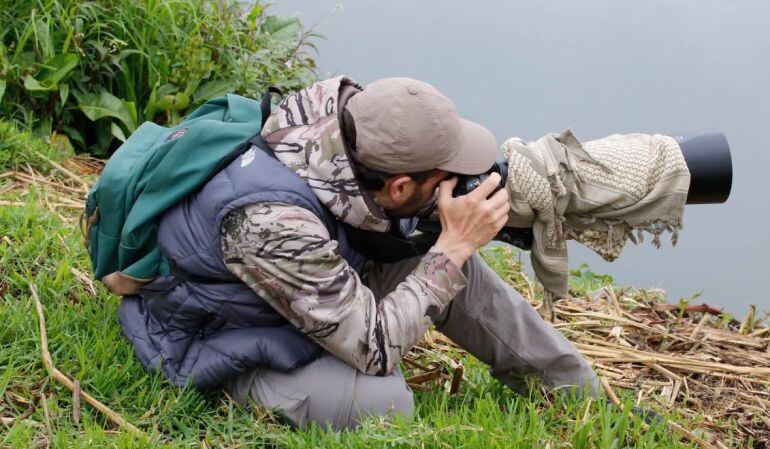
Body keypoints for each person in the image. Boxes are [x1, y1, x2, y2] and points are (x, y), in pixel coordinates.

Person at [119, 76, 600, 432]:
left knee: (448, 263)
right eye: (444, 179)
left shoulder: (344, 123)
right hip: (223, 333)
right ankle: (242, 390)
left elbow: (380, 218)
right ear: (399, 187)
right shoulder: (272, 223)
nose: (454, 185)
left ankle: (579, 396)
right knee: (382, 401)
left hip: (295, 280)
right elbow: (373, 348)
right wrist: (452, 246)